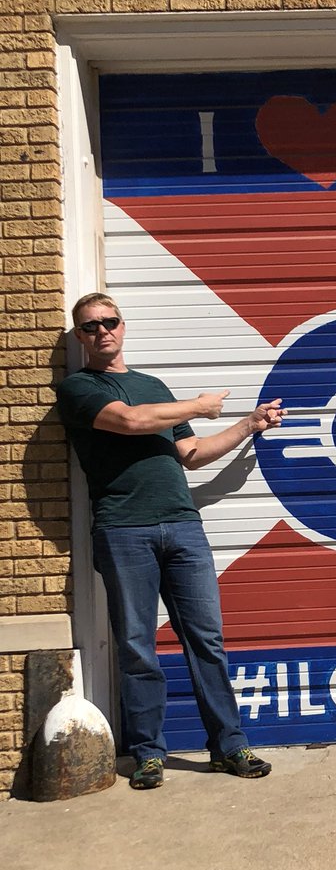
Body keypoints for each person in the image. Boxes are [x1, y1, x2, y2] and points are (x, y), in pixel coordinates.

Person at [56, 292, 285, 789]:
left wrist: (249, 424)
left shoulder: (153, 385)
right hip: (123, 530)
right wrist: (201, 405)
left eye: (109, 322)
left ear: (123, 325)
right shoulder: (79, 387)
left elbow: (192, 453)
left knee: (207, 641)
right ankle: (148, 753)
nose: (102, 332)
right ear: (80, 337)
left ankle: (229, 746)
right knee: (137, 646)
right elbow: (131, 421)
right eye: (91, 327)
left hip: (183, 526)